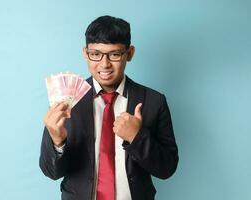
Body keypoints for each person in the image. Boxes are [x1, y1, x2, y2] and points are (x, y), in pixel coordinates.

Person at [40, 15, 179, 200]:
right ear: (85, 53)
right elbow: (51, 172)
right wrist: (57, 142)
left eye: (114, 54)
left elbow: (167, 168)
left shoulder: (154, 101)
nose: (104, 64)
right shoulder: (66, 100)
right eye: (96, 54)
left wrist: (136, 138)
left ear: (129, 53)